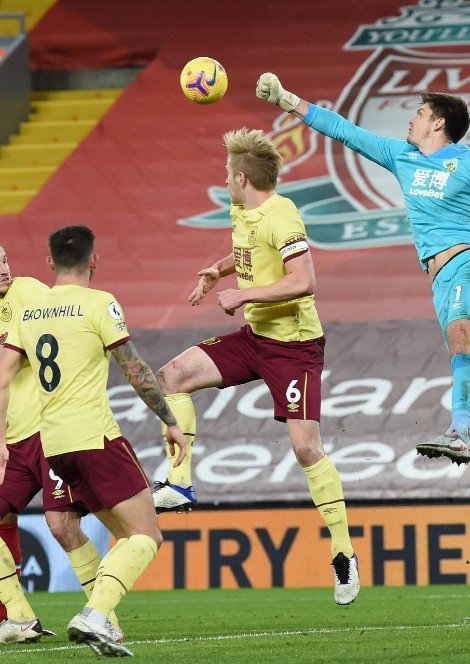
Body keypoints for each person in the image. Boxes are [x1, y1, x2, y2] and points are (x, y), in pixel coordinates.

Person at [256, 74, 470, 546]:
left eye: (420, 112)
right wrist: (286, 99)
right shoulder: (400, 156)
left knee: (463, 335)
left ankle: (459, 432)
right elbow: (343, 130)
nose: (412, 117)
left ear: (438, 122)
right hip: (442, 280)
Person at [152, 128, 360, 605]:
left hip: (294, 347)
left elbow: (304, 280)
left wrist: (241, 293)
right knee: (171, 378)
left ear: (242, 177)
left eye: (228, 173)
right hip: (255, 338)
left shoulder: (281, 216)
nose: (225, 179)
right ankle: (180, 484)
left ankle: (344, 554)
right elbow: (249, 254)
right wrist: (219, 271)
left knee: (306, 448)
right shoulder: (242, 211)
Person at [0, 225, 187, 656]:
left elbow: (4, 375)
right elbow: (134, 368)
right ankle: (96, 613)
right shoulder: (100, 303)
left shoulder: (30, 311)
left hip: (53, 443)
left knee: (90, 527)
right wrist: (169, 418)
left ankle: (100, 619)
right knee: (147, 536)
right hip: (94, 436)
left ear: (48, 263)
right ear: (94, 260)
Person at [0, 245, 132, 645]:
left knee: (61, 524)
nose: (4, 270)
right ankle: (18, 618)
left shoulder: (26, 292)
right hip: (11, 440)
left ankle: (102, 613)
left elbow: (55, 336)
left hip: (47, 431)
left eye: (4, 259)